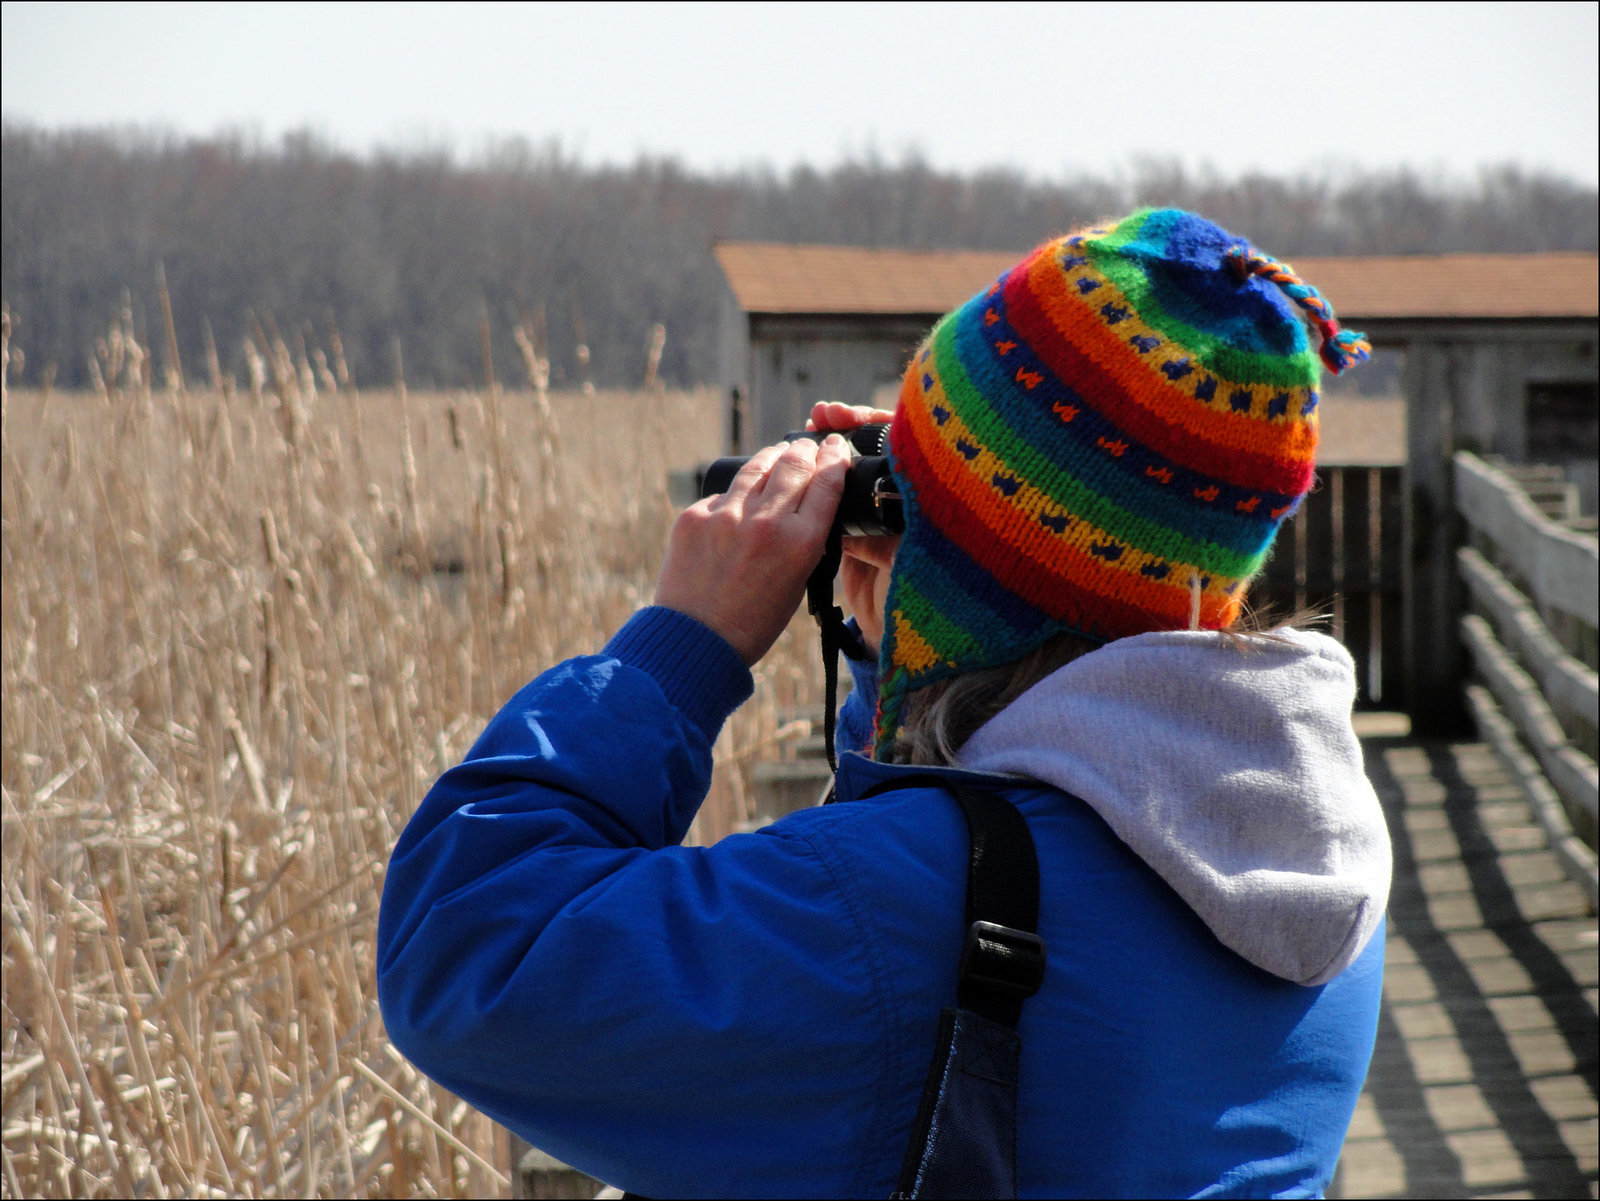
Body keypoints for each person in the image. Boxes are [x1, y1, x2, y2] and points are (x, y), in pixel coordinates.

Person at [377, 209, 1393, 1198]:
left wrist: (678, 650)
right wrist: (904, 638)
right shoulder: (1308, 858)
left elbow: (469, 948)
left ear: (966, 564)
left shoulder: (892, 911)